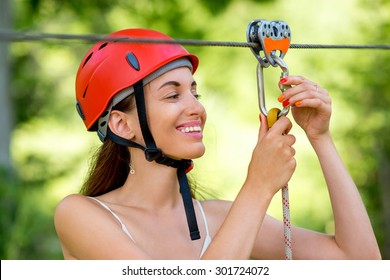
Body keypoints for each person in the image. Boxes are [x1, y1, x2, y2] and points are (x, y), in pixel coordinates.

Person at [54, 28, 381, 260]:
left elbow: (360, 263)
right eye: (172, 95)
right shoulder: (81, 215)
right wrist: (257, 187)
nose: (196, 107)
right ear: (122, 124)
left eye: (194, 92)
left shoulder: (218, 219)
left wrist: (320, 137)